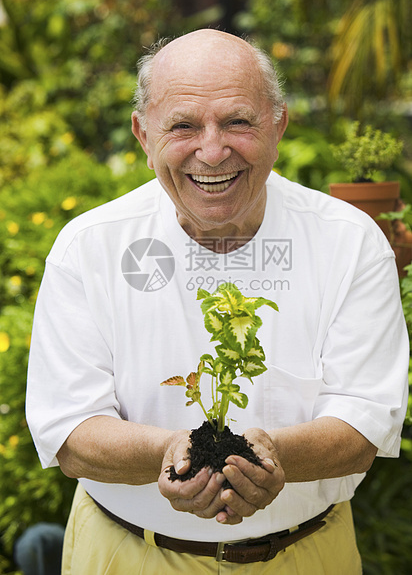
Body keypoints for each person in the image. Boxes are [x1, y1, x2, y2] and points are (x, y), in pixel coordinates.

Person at [26, 29, 409, 574]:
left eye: (238, 121)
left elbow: (364, 420)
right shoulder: (91, 245)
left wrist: (274, 452)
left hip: (306, 555)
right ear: (142, 133)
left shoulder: (347, 239)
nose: (212, 150)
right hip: (128, 555)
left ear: (277, 124)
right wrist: (171, 451)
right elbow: (70, 432)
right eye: (183, 125)